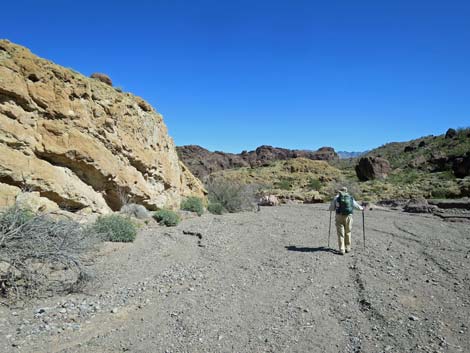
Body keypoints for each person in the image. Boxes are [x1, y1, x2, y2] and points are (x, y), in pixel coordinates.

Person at [328, 187, 364, 255]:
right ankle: (348, 247)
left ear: (340, 191)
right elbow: (356, 206)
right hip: (348, 217)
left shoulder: (336, 198)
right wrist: (362, 208)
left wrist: (331, 209)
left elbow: (331, 208)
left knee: (340, 233)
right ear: (346, 191)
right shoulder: (350, 197)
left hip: (339, 216)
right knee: (348, 232)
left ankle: (342, 249)